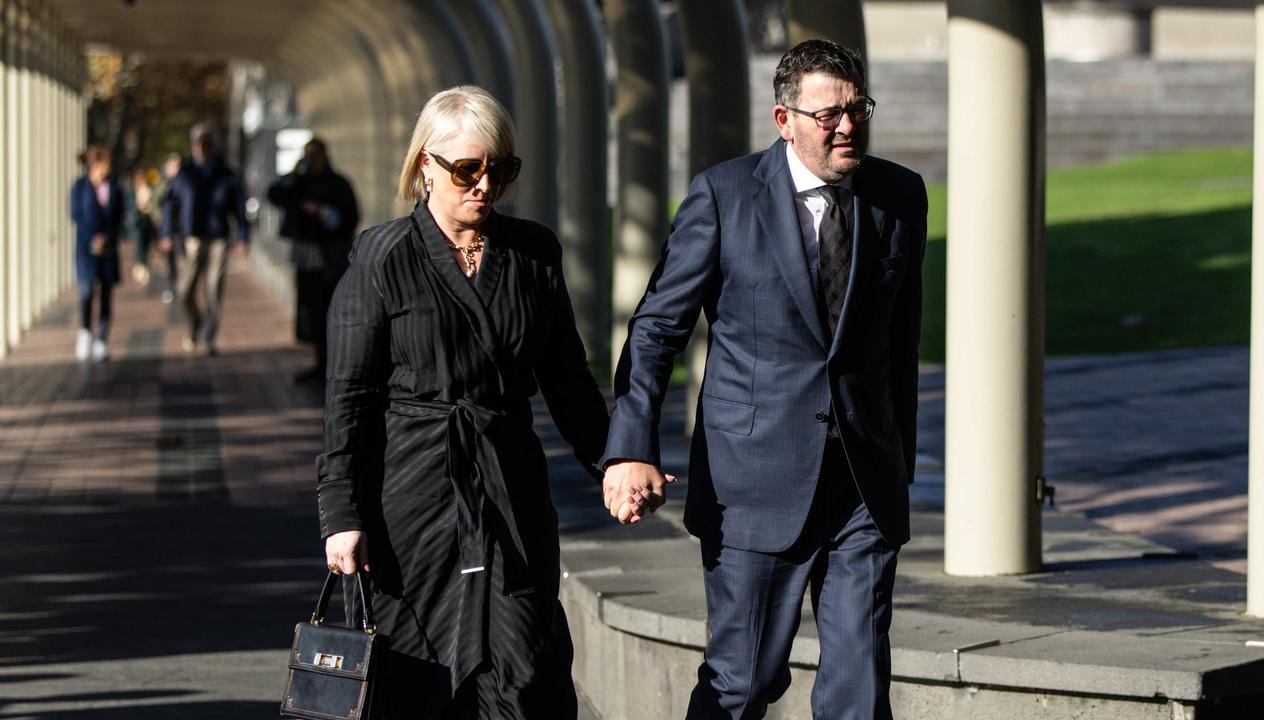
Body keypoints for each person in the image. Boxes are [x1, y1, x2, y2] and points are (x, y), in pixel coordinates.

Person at [602, 39, 928, 720]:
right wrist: (631, 447)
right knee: (743, 684)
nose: (847, 126)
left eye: (857, 109)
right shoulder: (723, 196)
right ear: (784, 120)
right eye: (828, 114)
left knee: (861, 696)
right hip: (753, 483)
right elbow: (658, 326)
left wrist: (901, 461)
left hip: (864, 484)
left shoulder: (899, 196)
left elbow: (899, 341)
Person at [317, 85, 612, 719]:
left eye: (499, 170)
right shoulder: (381, 258)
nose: (483, 185)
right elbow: (349, 399)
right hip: (409, 501)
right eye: (467, 169)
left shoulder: (534, 255)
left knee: (523, 673)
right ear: (426, 165)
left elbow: (567, 379)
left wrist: (616, 462)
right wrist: (340, 512)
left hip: (509, 491)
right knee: (415, 680)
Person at [267, 138, 359, 384]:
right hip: (305, 255)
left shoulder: (337, 184)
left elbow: (349, 217)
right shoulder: (299, 182)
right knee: (310, 308)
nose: (310, 161)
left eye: (314, 156)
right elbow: (275, 194)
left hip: (328, 255)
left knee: (328, 307)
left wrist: (321, 211)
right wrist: (295, 173)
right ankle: (319, 363)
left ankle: (331, 364)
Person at [160, 123, 249, 355]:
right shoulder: (185, 173)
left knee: (213, 288)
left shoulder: (226, 173)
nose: (203, 148)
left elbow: (239, 208)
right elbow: (171, 205)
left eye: (208, 143)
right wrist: (167, 233)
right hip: (192, 237)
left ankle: (209, 336)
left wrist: (242, 237)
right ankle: (195, 323)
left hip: (218, 237)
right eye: (199, 143)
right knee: (184, 289)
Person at [69, 146, 125, 363]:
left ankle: (102, 338)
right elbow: (76, 215)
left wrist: (107, 237)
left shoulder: (115, 187)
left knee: (106, 294)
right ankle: (85, 331)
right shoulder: (80, 187)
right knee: (86, 291)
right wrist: (93, 238)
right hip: (86, 248)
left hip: (108, 248)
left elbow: (119, 217)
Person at [153, 153, 183, 304]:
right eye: (172, 166)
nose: (175, 169)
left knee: (182, 258)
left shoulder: (185, 184)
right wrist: (164, 232)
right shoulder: (164, 186)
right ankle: (170, 286)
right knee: (170, 260)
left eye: (177, 166)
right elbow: (159, 207)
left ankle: (180, 286)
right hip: (168, 228)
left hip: (183, 229)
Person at [127, 167, 156, 287]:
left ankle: (144, 267)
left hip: (147, 223)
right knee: (139, 246)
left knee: (146, 245)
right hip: (138, 224)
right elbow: (130, 208)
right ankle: (140, 268)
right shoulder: (133, 192)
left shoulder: (149, 189)